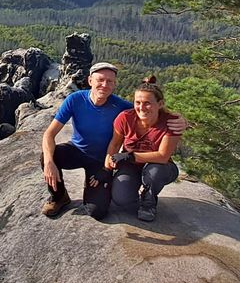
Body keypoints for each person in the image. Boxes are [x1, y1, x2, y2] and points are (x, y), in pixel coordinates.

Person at [41, 63, 185, 220]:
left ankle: (144, 198)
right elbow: (49, 134)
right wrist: (49, 162)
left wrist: (182, 120)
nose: (105, 85)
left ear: (115, 84)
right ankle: (58, 196)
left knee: (97, 211)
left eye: (110, 81)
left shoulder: (121, 106)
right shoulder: (75, 100)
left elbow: (149, 108)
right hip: (77, 150)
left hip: (101, 160)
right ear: (90, 80)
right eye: (100, 80)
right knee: (49, 155)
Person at [104, 76, 181, 222]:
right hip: (131, 166)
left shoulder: (171, 122)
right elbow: (114, 144)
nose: (141, 107)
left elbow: (163, 156)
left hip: (160, 166)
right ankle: (135, 193)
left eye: (147, 103)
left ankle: (149, 201)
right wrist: (107, 165)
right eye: (137, 102)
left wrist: (131, 156)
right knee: (121, 199)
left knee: (154, 172)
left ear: (160, 104)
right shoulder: (125, 118)